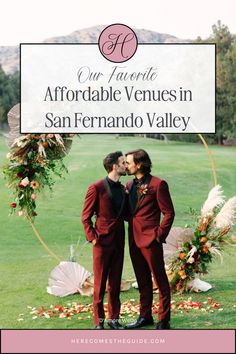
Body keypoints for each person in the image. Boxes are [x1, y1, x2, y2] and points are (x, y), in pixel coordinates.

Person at [124, 149, 175, 330]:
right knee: (142, 280)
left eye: (128, 162)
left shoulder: (158, 184)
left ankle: (164, 319)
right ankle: (145, 316)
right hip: (133, 240)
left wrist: (159, 235)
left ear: (139, 164)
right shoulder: (129, 185)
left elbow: (168, 213)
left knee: (160, 280)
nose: (126, 165)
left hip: (151, 240)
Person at [81, 151, 127, 330]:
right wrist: (93, 238)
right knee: (99, 284)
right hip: (101, 243)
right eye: (123, 163)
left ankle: (113, 320)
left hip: (119, 242)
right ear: (115, 166)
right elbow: (85, 217)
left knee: (115, 283)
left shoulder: (124, 189)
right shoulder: (97, 187)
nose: (126, 165)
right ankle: (98, 322)